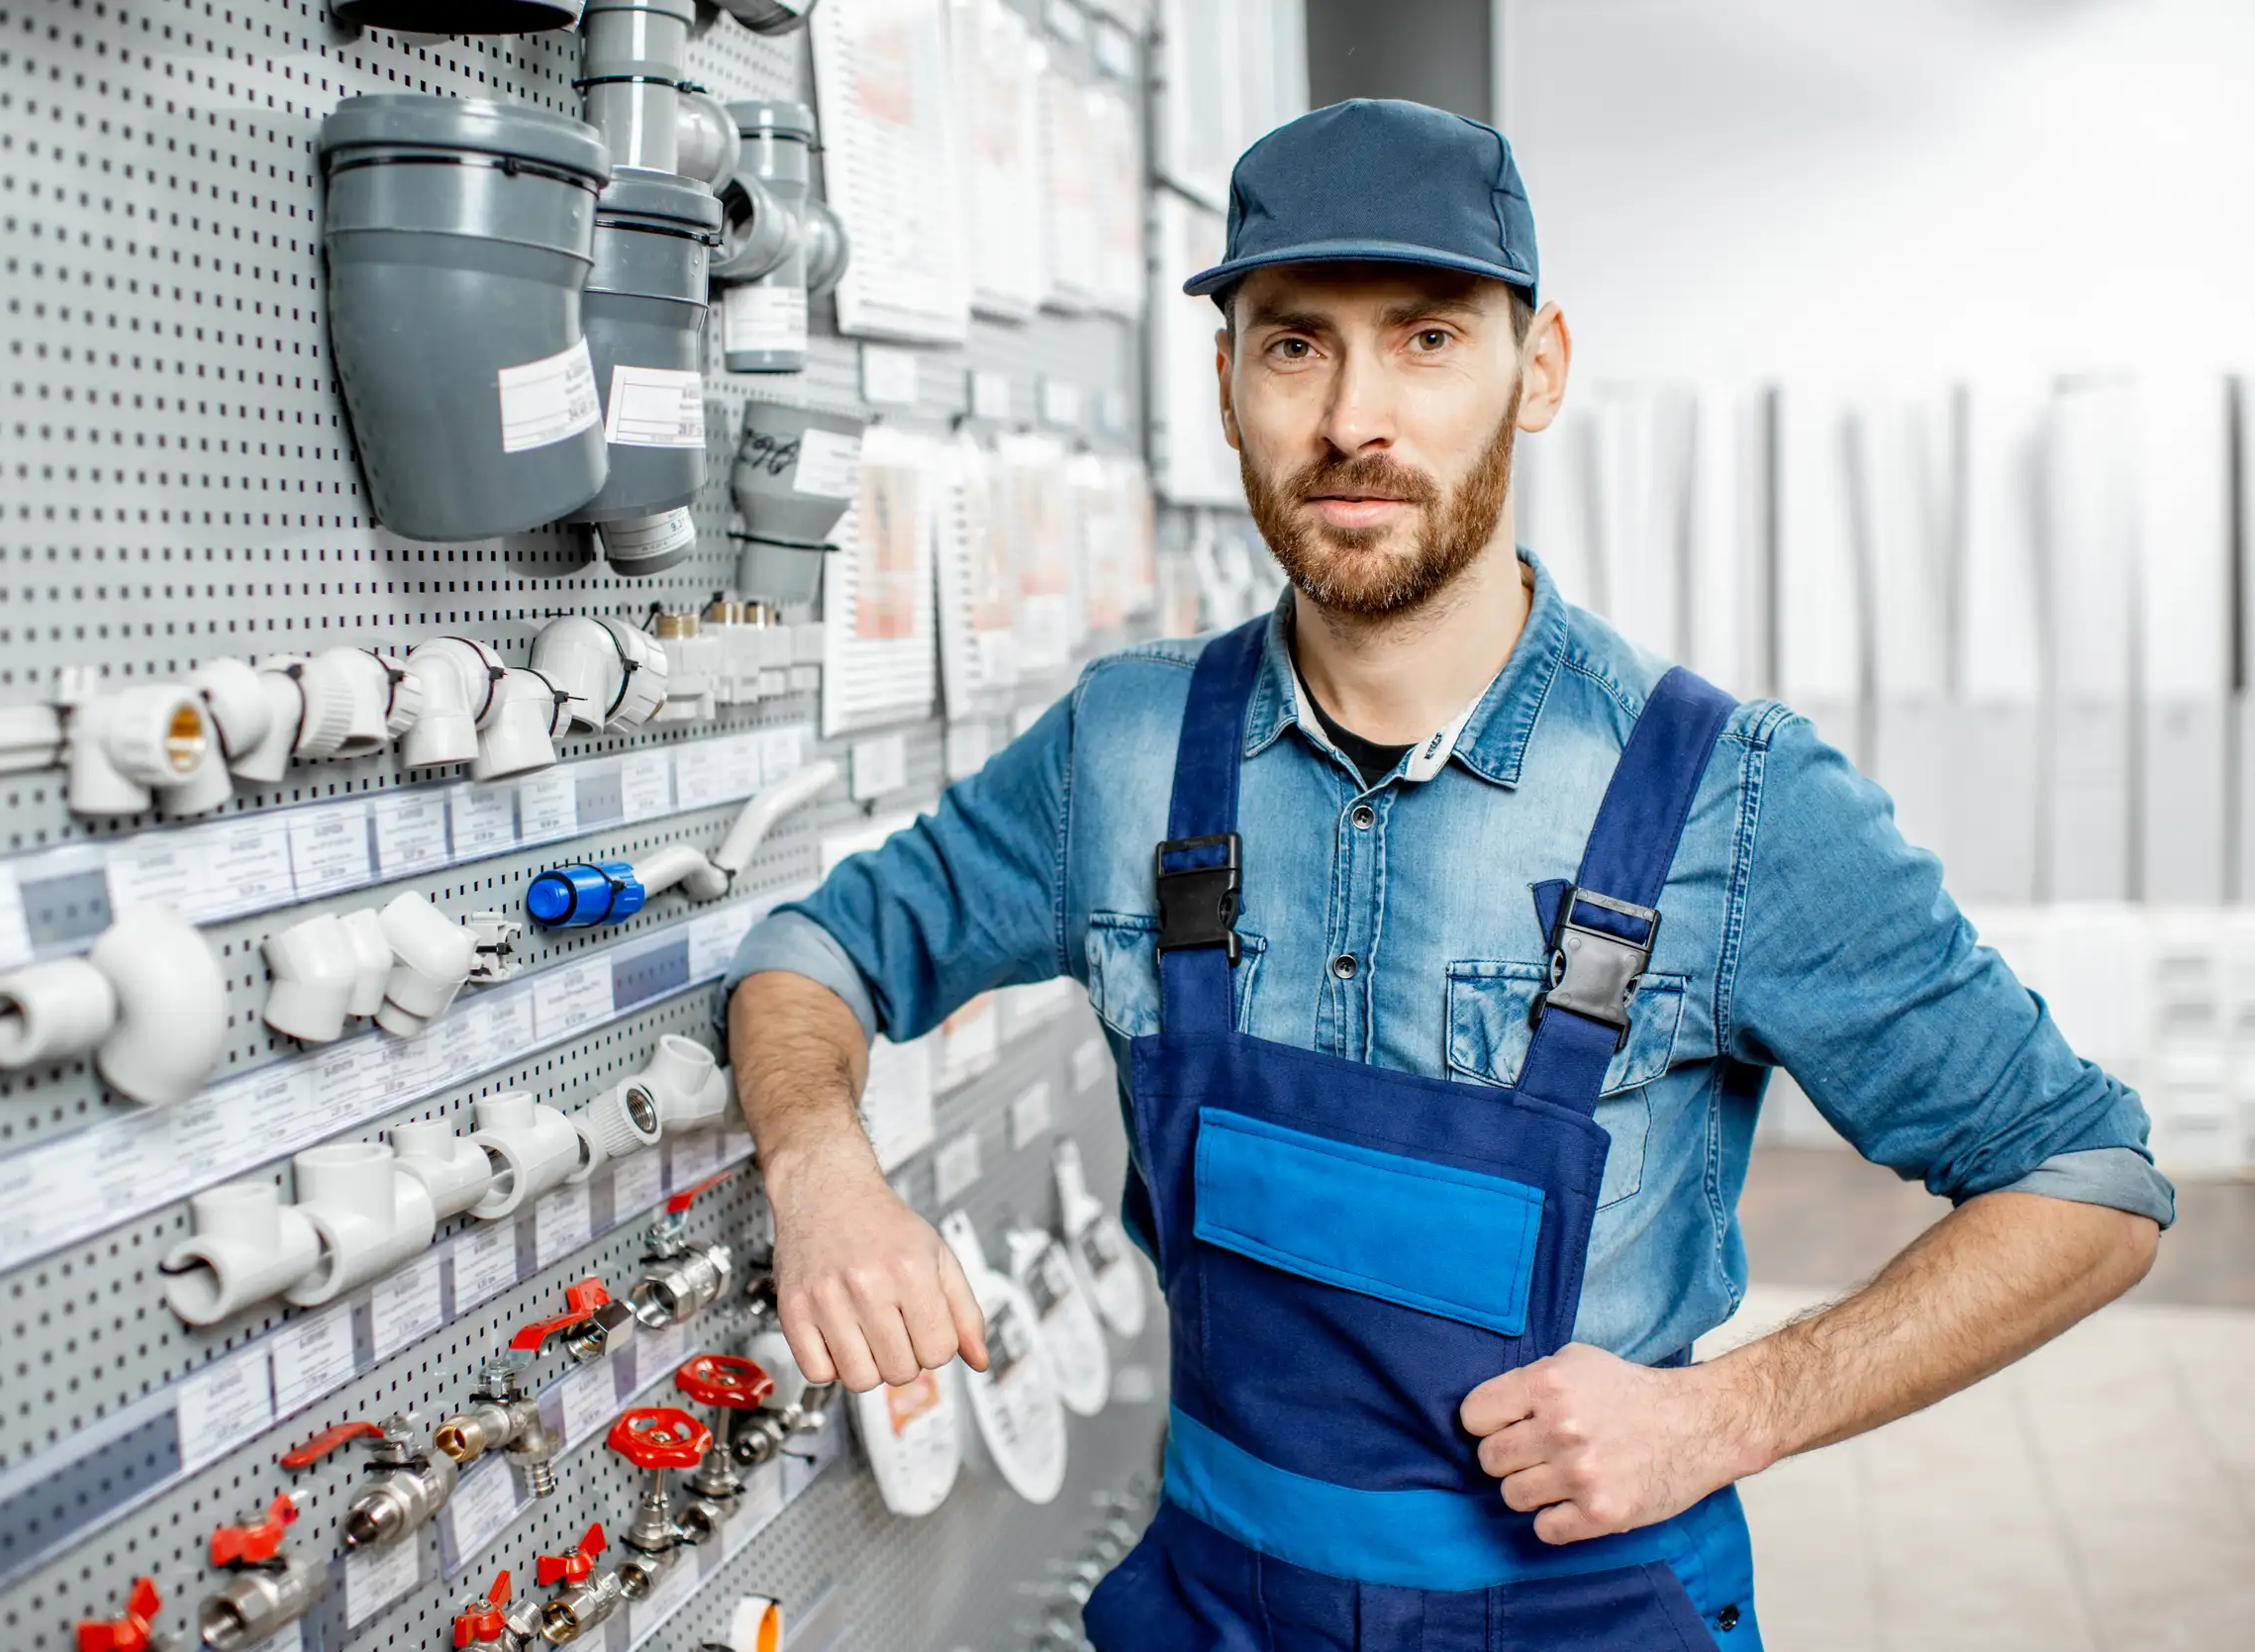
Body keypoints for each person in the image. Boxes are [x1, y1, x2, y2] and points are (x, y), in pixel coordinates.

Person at [718, 99, 2171, 1649]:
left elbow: (2086, 1185)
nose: (1356, 419)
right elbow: (817, 952)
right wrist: (823, 1171)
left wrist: (1731, 1415)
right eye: (1294, 346)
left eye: (1425, 339)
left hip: (1586, 1611)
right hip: (1221, 1602)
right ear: (1225, 383)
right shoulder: (1126, 752)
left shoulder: (1727, 801)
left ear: (1535, 371)